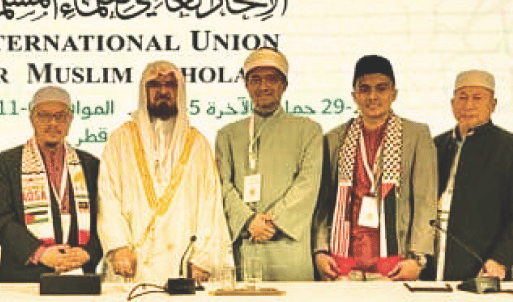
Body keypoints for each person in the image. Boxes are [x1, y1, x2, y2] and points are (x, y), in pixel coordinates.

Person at [98, 60, 229, 284]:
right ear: (144, 91)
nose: (163, 91)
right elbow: (107, 197)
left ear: (180, 92)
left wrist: (204, 258)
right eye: (155, 85)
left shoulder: (197, 144)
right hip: (132, 264)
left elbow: (211, 204)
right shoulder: (120, 140)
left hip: (184, 266)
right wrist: (117, 247)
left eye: (170, 85)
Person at [313, 55, 436, 281]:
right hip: (342, 266)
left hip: (396, 267)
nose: (372, 96)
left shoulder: (416, 135)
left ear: (394, 94)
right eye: (364, 89)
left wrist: (418, 259)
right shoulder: (334, 139)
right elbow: (323, 203)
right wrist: (320, 251)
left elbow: (425, 202)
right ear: (354, 96)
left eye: (381, 88)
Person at [215, 47, 322, 281]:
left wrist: (272, 222)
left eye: (271, 79)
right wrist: (248, 221)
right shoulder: (228, 135)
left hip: (288, 247)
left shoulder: (308, 130)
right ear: (246, 85)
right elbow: (222, 184)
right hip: (245, 244)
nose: (263, 86)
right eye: (255, 79)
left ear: (284, 85)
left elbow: (308, 184)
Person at [0, 86, 101, 281]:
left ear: (70, 120)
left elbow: (103, 219)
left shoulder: (90, 164)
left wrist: (88, 253)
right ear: (32, 119)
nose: (53, 123)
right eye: (44, 116)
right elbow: (2, 220)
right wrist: (40, 253)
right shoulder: (6, 163)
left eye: (60, 116)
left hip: (78, 273)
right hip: (25, 277)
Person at [433, 70, 513, 281]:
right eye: (462, 97)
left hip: (484, 265)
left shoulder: (508, 147)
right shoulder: (436, 145)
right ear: (452, 104)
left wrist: (501, 258)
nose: (468, 105)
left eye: (477, 98)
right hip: (432, 262)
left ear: (493, 104)